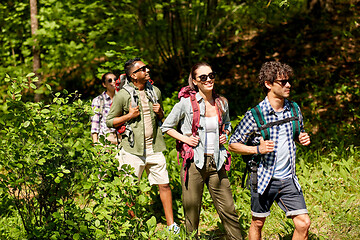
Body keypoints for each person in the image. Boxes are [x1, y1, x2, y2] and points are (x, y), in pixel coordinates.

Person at [229, 61, 311, 240]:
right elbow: (233, 144)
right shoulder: (255, 115)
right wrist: (257, 149)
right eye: (282, 82)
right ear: (268, 84)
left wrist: (301, 138)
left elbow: (297, 133)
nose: (288, 85)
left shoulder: (294, 109)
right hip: (264, 178)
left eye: (289, 81)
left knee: (303, 223)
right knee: (258, 223)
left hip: (288, 178)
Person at [161, 62, 243, 239]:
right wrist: (186, 139)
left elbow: (227, 123)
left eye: (211, 75)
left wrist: (225, 134)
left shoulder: (222, 102)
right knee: (192, 215)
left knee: (229, 210)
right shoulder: (185, 104)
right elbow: (166, 127)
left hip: (217, 162)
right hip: (193, 164)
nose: (208, 80)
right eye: (203, 77)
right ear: (195, 81)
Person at [106, 58, 179, 233]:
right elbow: (110, 121)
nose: (147, 70)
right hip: (132, 149)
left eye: (147, 67)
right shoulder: (122, 95)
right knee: (131, 190)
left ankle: (172, 225)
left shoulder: (155, 91)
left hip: (154, 147)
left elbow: (162, 118)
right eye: (142, 69)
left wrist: (160, 112)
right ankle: (133, 226)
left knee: (164, 184)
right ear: (133, 75)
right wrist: (128, 116)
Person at [91, 72, 119, 145]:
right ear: (104, 84)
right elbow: (95, 123)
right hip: (105, 138)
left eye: (115, 79)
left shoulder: (122, 98)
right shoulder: (98, 100)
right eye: (110, 80)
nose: (113, 82)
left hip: (121, 138)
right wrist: (95, 143)